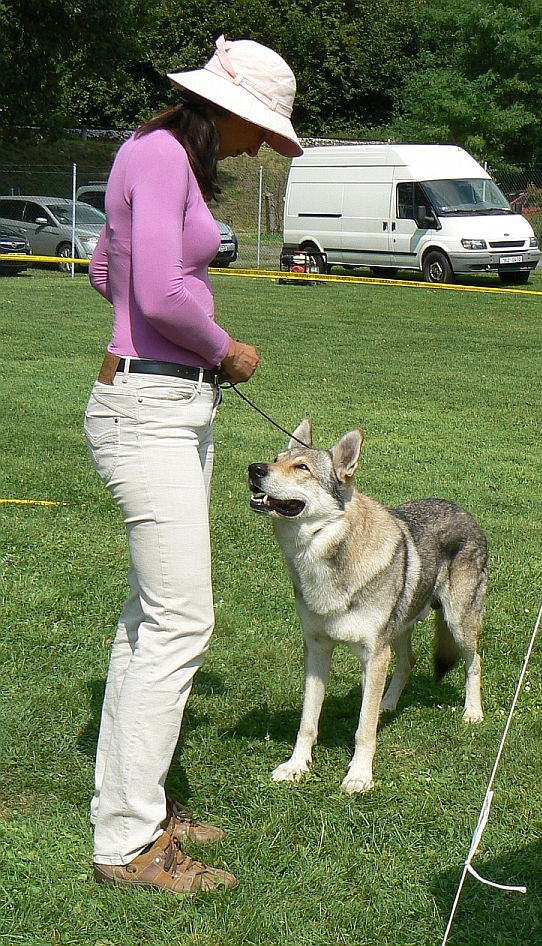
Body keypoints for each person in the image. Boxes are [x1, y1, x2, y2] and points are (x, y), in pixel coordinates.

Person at [84, 35, 302, 895]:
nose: (261, 149)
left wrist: (168, 337)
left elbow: (107, 267)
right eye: (262, 133)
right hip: (152, 411)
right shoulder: (170, 155)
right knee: (181, 623)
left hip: (155, 399)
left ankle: (130, 808)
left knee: (149, 620)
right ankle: (130, 846)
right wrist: (223, 347)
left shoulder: (143, 150)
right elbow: (156, 292)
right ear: (234, 114)